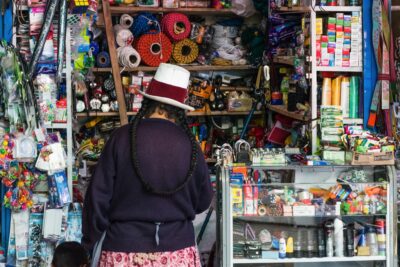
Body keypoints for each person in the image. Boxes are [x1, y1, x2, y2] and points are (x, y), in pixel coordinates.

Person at [82, 63, 213, 266]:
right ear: (180, 109)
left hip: (122, 250)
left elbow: (97, 199)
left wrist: (89, 243)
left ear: (148, 100)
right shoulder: (191, 145)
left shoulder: (121, 138)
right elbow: (203, 201)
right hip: (177, 253)